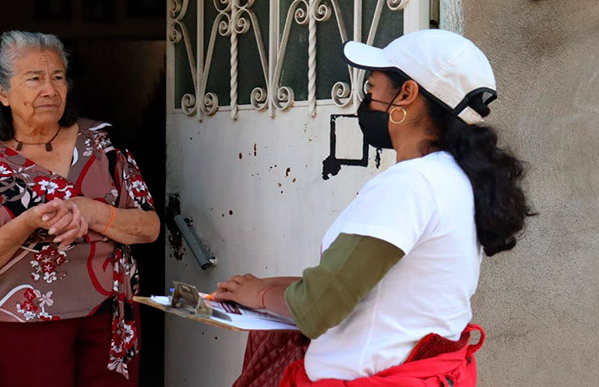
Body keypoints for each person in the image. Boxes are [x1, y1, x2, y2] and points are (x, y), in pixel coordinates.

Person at [213, 29, 535, 386]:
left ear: (407, 94)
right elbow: (384, 292)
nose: (366, 100)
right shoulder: (455, 180)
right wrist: (265, 285)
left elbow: (318, 307)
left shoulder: (410, 185)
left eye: (371, 89)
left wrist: (258, 295)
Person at [0, 31, 160, 387]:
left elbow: (149, 227)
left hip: (110, 314)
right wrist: (29, 221)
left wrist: (89, 211)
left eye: (58, 77)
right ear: (2, 92)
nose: (50, 89)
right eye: (34, 78)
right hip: (23, 320)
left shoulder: (102, 144)